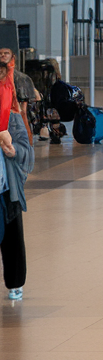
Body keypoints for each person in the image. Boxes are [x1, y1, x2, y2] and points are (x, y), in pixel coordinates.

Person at [1, 59, 33, 301]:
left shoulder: (10, 116)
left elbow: (25, 148)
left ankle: (15, 283)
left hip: (6, 188)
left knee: (12, 239)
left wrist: (14, 152)